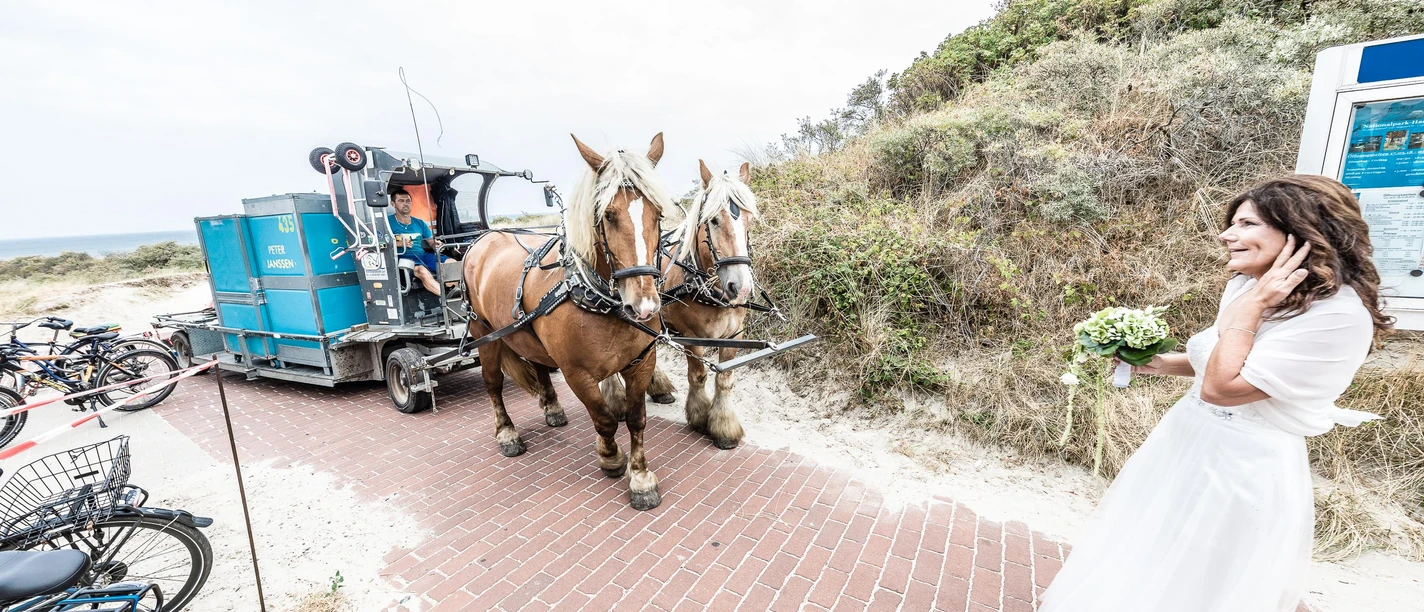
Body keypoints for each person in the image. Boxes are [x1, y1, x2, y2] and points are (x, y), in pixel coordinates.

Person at [1040, 175, 1393, 612]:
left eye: (1246, 224)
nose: (1227, 234)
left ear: (1300, 233)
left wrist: (1251, 308)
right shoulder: (1252, 285)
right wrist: (1156, 362)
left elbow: (1224, 388)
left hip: (1242, 468)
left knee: (1198, 578)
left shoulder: (1337, 316)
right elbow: (1231, 358)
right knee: (1150, 554)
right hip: (1187, 440)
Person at [388, 186, 447, 295]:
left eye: (408, 201)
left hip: (422, 255)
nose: (405, 203)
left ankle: (458, 294)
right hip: (402, 259)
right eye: (401, 201)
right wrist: (400, 243)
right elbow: (380, 243)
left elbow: (430, 242)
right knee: (422, 271)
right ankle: (447, 299)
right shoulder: (386, 222)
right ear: (393, 204)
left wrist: (436, 245)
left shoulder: (419, 223)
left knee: (451, 264)